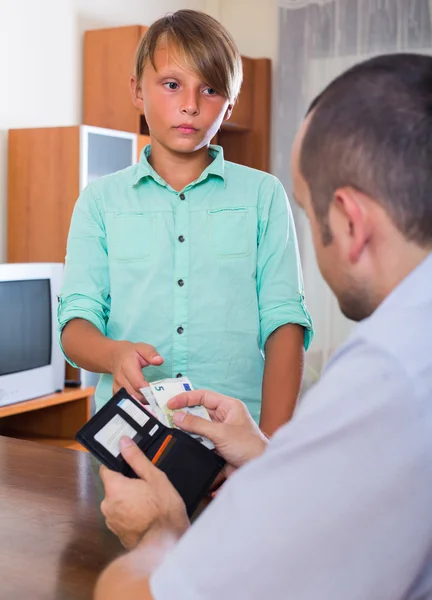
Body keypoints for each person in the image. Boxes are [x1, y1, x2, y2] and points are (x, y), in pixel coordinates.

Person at [94, 52, 432, 600]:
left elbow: (135, 594)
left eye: (306, 208)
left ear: (350, 221)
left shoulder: (385, 376)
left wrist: (161, 533)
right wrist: (269, 456)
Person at [57, 9, 313, 435]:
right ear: (138, 91)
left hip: (236, 436)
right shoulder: (99, 201)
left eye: (210, 89)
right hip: (131, 437)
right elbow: (76, 325)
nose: (190, 105)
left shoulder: (263, 195)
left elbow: (285, 324)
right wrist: (114, 354)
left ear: (230, 105)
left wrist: (265, 452)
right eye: (172, 85)